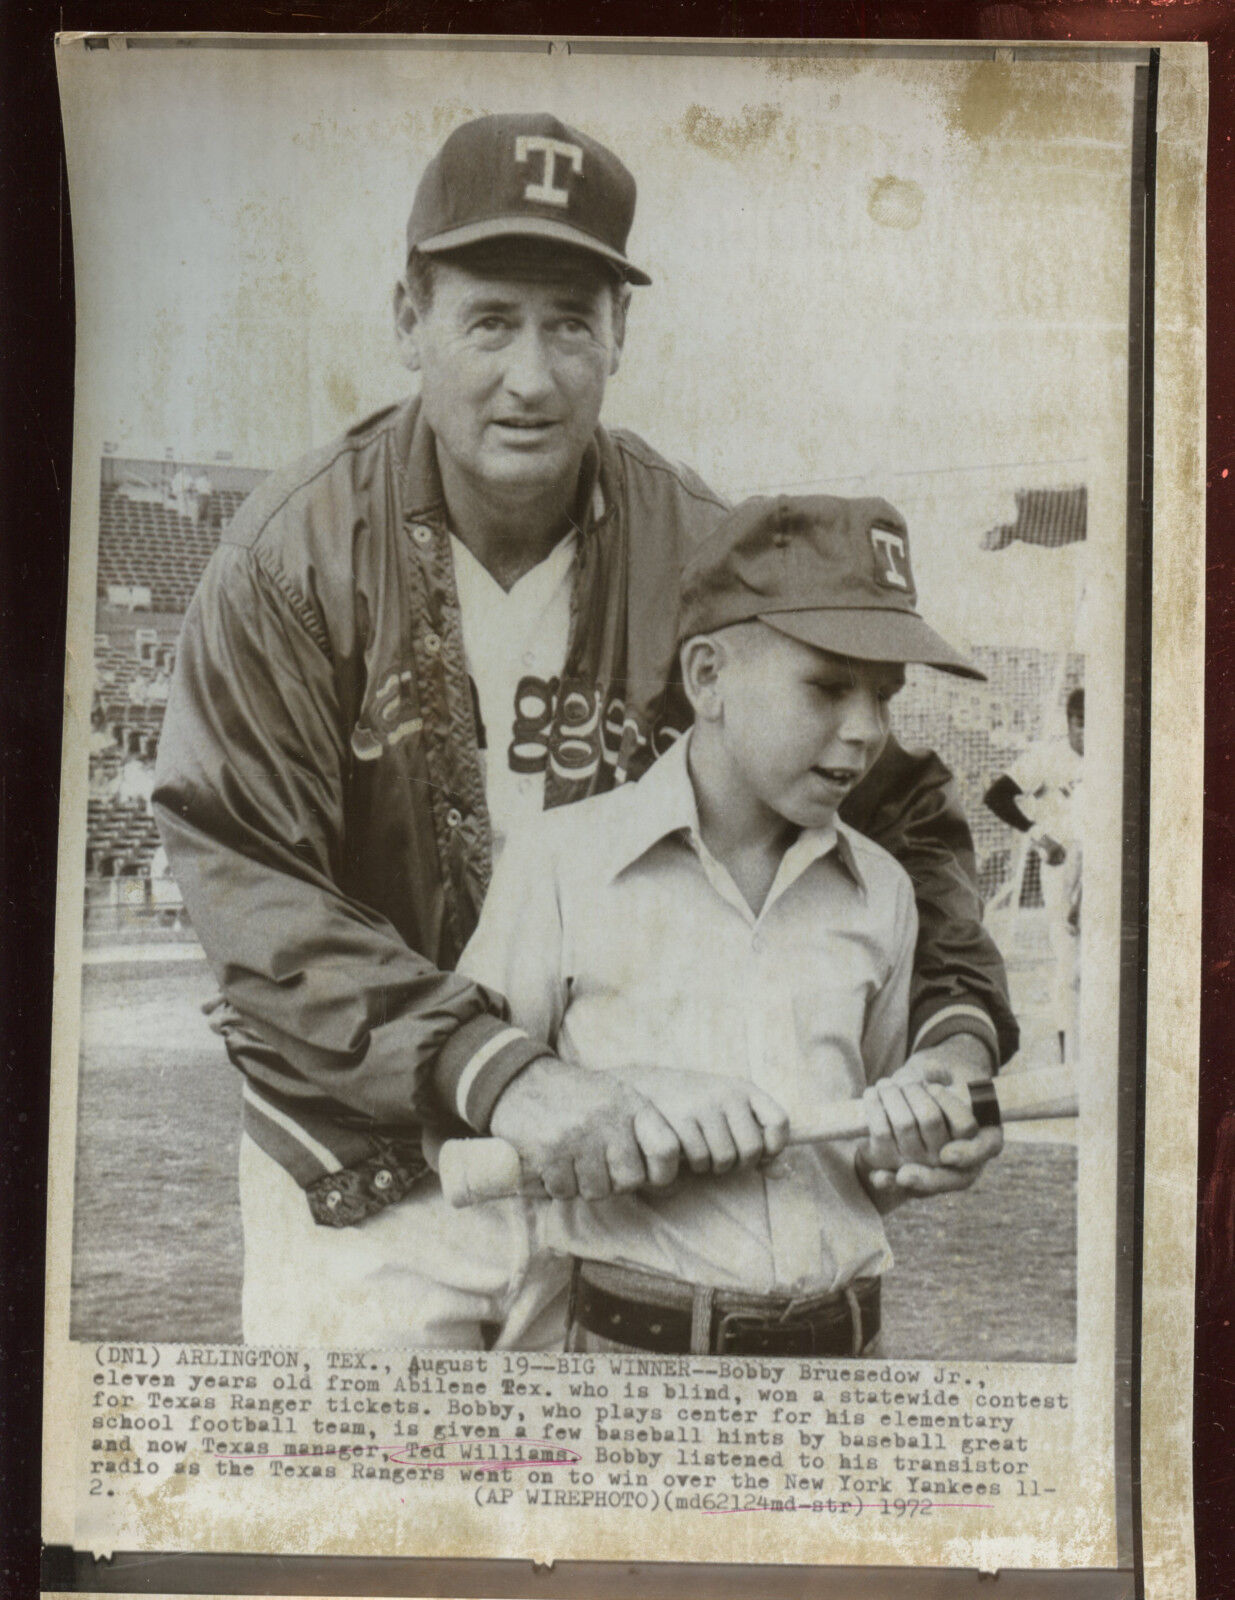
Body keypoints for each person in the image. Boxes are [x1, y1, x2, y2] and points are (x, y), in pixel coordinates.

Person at [153, 112, 1015, 1349]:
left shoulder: (701, 553)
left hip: (640, 1190)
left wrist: (950, 1037)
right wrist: (507, 1075)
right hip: (377, 1175)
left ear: (621, 331)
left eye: (570, 319)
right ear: (409, 318)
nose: (532, 372)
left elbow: (902, 810)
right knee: (392, 1534)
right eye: (489, 318)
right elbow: (250, 880)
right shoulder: (288, 559)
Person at [450, 494, 996, 1355]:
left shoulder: (882, 889)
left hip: (845, 1361)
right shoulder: (561, 863)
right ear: (707, 678)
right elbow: (477, 1105)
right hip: (632, 1363)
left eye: (883, 696)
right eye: (826, 686)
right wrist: (627, 1099)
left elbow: (861, 1165)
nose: (865, 732)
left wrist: (910, 1144)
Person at [983, 688, 1083, 1063]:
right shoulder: (1048, 757)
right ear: (1070, 722)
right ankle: (1068, 1059)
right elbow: (996, 796)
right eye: (1080, 724)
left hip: (1102, 864)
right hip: (1063, 862)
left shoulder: (1112, 752)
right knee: (1069, 963)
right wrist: (1037, 834)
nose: (1087, 734)